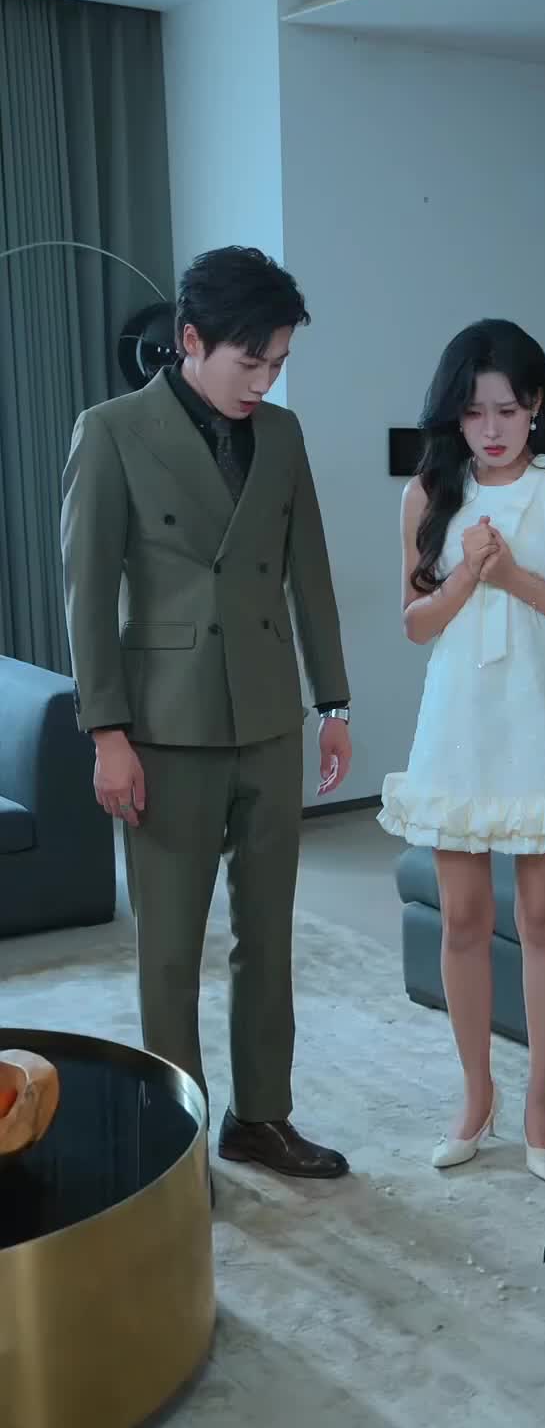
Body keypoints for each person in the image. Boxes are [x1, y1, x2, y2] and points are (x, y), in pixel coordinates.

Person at [61, 246, 353, 1181]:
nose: (264, 382)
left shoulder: (285, 434)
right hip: (164, 726)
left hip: (267, 715)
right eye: (250, 362)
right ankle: (174, 1145)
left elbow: (309, 570)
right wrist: (107, 734)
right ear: (190, 340)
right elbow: (87, 595)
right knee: (170, 951)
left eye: (278, 363)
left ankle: (260, 1117)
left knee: (268, 937)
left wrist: (332, 700)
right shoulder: (111, 432)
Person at [380, 320, 545, 1179]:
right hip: (459, 727)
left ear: (538, 408)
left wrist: (514, 577)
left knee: (543, 917)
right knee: (461, 919)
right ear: (453, 413)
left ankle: (541, 1099)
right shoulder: (427, 495)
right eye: (475, 411)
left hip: (540, 725)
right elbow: (416, 625)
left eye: (509, 411)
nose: (491, 429)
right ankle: (476, 1095)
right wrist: (464, 577)